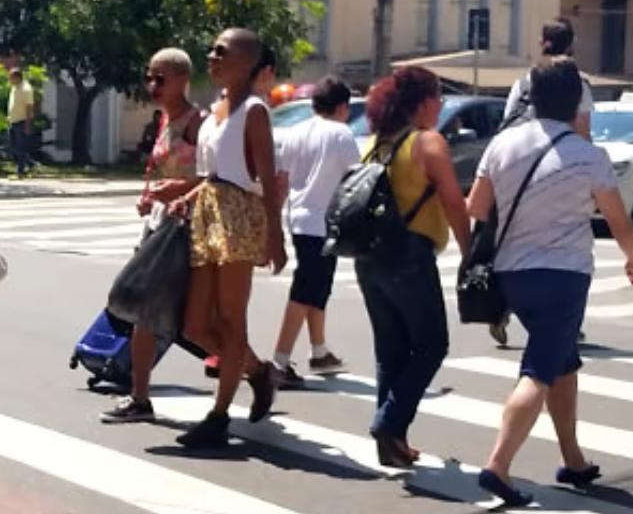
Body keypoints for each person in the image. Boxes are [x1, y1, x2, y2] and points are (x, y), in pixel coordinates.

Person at [467, 58, 633, 507]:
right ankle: (498, 465)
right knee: (539, 370)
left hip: (512, 275)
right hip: (563, 277)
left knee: (563, 364)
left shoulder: (503, 145)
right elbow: (619, 221)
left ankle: (573, 459)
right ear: (577, 103)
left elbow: (477, 206)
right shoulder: (588, 155)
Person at [176, 28, 286, 451]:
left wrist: (275, 237)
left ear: (246, 61)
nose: (212, 56)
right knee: (195, 326)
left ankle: (219, 415)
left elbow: (267, 179)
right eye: (212, 50)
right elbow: (207, 176)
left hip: (239, 216)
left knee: (230, 318)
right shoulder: (214, 110)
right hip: (207, 213)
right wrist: (180, 198)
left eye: (222, 52)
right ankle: (257, 371)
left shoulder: (254, 111)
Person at [356, 66, 470, 469]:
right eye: (438, 98)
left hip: (368, 258)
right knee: (431, 344)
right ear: (423, 102)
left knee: (391, 351)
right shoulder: (427, 142)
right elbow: (454, 202)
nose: (440, 107)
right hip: (409, 256)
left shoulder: (375, 144)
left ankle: (393, 443)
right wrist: (469, 250)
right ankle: (388, 424)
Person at [103, 48, 202, 423]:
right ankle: (139, 397)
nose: (153, 85)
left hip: (188, 229)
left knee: (198, 323)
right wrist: (151, 198)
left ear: (182, 80)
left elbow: (211, 180)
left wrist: (173, 191)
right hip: (160, 227)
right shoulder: (164, 120)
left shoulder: (197, 123)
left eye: (162, 78)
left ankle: (255, 372)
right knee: (144, 312)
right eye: (150, 77)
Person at [492, 18, 594, 347]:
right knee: (564, 243)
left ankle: (504, 305)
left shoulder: (524, 83)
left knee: (514, 240)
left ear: (542, 42)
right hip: (559, 170)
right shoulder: (577, 84)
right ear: (572, 44)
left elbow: (507, 127)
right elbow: (582, 132)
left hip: (519, 172)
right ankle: (565, 319)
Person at [270, 76, 359, 388]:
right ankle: (279, 361)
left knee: (317, 288)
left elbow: (281, 180)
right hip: (324, 220)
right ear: (341, 107)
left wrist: (274, 223)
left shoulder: (294, 133)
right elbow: (355, 180)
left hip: (298, 218)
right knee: (306, 290)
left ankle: (319, 352)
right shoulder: (341, 133)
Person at [7, 67, 34, 178]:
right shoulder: (14, 88)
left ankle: (20, 171)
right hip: (13, 120)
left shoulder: (26, 89)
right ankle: (30, 163)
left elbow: (29, 107)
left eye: (11, 77)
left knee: (20, 147)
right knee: (14, 147)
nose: (10, 80)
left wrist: (27, 124)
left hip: (21, 121)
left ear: (17, 77)